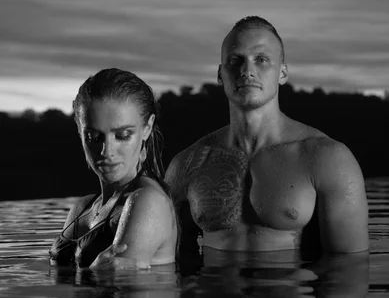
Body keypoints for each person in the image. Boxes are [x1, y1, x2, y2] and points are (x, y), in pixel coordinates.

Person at [166, 16, 369, 257]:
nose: (247, 71)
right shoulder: (187, 164)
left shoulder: (328, 158)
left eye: (261, 60)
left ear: (282, 73)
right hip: (213, 293)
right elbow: (174, 265)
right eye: (235, 60)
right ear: (220, 74)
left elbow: (348, 271)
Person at [50, 68, 177, 270]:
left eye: (123, 135)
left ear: (147, 128)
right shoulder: (82, 207)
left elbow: (125, 292)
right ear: (79, 130)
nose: (106, 151)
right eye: (93, 137)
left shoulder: (147, 201)